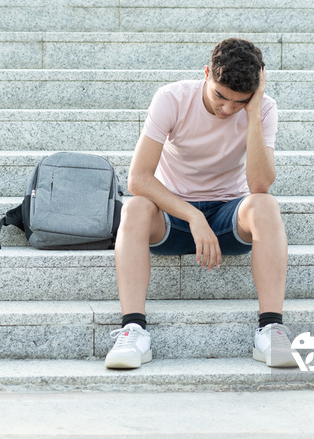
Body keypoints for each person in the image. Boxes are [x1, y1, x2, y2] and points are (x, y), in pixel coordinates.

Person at [104, 38, 298, 369]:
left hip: (228, 217)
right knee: (135, 206)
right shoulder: (172, 99)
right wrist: (193, 216)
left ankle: (271, 329)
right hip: (174, 216)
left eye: (239, 102)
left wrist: (252, 114)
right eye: (220, 96)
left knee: (266, 205)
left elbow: (260, 185)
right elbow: (138, 179)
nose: (227, 109)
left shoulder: (263, 109)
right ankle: (132, 330)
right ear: (206, 73)